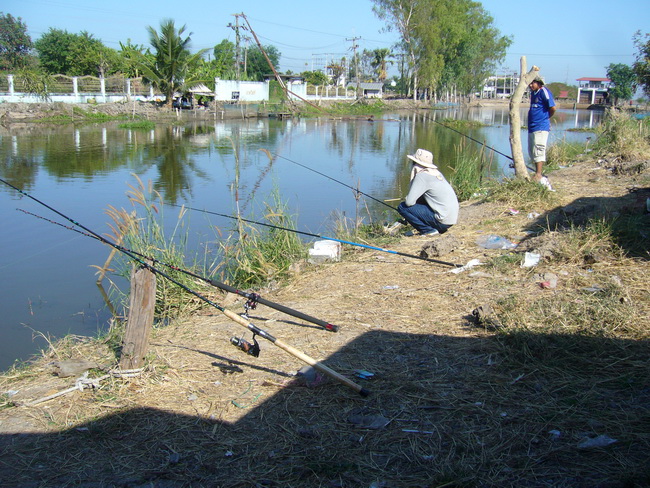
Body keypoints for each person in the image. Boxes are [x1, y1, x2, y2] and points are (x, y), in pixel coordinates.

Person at [393, 148, 459, 237]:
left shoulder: (422, 176)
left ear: (416, 163)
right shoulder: (436, 173)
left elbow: (409, 202)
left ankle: (428, 230)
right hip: (450, 220)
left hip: (442, 221)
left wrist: (408, 198)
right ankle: (432, 228)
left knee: (402, 207)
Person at [527, 76, 556, 183]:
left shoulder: (544, 92)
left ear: (539, 83)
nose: (530, 85)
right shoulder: (533, 93)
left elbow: (553, 108)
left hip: (541, 126)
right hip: (532, 127)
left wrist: (545, 118)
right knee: (532, 150)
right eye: (529, 83)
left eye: (532, 83)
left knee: (539, 148)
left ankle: (539, 174)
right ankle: (536, 172)